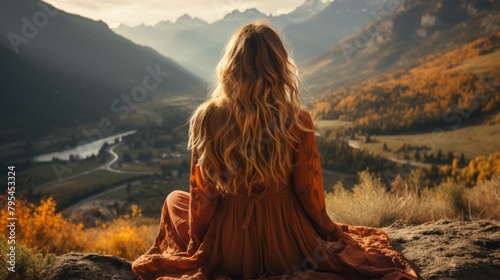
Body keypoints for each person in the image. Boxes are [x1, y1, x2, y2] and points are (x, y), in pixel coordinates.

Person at [132, 21, 418, 280]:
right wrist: (329, 231)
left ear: (231, 65)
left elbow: (202, 199)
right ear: (279, 65)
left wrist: (199, 246)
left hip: (230, 245)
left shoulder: (207, 117)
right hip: (290, 246)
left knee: (175, 200)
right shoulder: (298, 119)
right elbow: (308, 193)